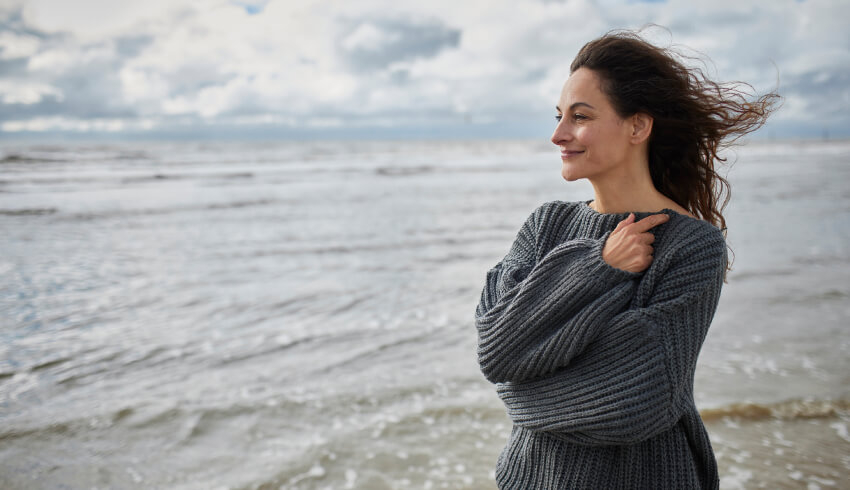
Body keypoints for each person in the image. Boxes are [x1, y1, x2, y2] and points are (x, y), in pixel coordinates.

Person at [474, 28, 779, 489]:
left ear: (637, 126)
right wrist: (598, 268)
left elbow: (635, 398)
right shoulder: (545, 226)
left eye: (580, 116)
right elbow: (496, 349)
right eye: (560, 116)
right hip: (531, 478)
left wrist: (524, 387)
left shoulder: (692, 245)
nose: (558, 134)